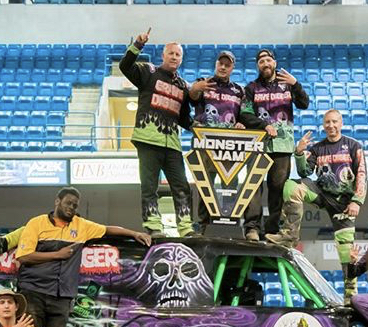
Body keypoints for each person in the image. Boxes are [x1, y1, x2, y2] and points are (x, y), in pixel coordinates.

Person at [15, 186, 149, 327]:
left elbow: (108, 229)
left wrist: (134, 233)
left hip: (62, 297)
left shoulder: (81, 226)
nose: (71, 208)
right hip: (34, 293)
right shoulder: (36, 223)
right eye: (68, 203)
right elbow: (23, 256)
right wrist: (57, 255)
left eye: (75, 205)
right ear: (57, 201)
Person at [266, 109, 366, 299]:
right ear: (323, 125)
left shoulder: (354, 146)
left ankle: (350, 296)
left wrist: (357, 201)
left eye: (335, 121)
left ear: (341, 123)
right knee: (290, 186)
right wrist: (299, 152)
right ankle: (289, 235)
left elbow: (362, 175)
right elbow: (305, 172)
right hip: (322, 194)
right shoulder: (318, 148)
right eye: (327, 122)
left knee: (347, 254)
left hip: (344, 204)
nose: (331, 125)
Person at [119, 28, 194, 238]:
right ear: (163, 55)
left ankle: (186, 227)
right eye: (171, 53)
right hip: (147, 139)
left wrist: (199, 128)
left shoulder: (183, 86)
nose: (174, 57)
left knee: (182, 186)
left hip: (173, 145)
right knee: (149, 187)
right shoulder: (148, 72)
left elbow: (184, 117)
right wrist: (137, 45)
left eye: (178, 54)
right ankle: (154, 226)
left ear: (181, 59)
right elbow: (125, 66)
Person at [240, 48, 310, 235]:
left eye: (268, 60)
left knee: (277, 188)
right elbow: (245, 114)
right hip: (258, 145)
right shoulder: (251, 88)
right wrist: (263, 125)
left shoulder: (287, 85)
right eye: (261, 61)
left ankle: (271, 230)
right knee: (253, 185)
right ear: (258, 66)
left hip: (283, 146)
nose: (265, 63)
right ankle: (252, 228)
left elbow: (304, 104)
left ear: (275, 63)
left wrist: (295, 84)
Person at [188, 51, 257, 238]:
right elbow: (191, 97)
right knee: (205, 184)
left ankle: (232, 222)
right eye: (221, 63)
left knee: (232, 184)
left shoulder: (239, 90)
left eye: (228, 64)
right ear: (216, 64)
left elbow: (244, 114)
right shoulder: (203, 82)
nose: (223, 67)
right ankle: (202, 224)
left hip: (230, 144)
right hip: (205, 141)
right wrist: (196, 88)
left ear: (232, 67)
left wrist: (241, 123)